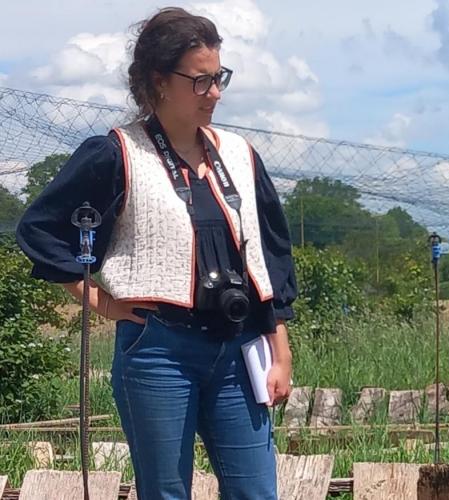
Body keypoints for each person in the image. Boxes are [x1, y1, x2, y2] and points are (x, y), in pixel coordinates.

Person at [17, 8, 296, 499]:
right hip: (159, 351)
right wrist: (100, 302)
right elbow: (41, 229)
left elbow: (269, 257)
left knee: (257, 491)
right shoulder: (117, 152)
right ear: (159, 81)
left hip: (240, 347)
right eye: (201, 81)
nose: (215, 93)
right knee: (166, 492)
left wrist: (281, 350)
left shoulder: (239, 154)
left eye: (219, 78)